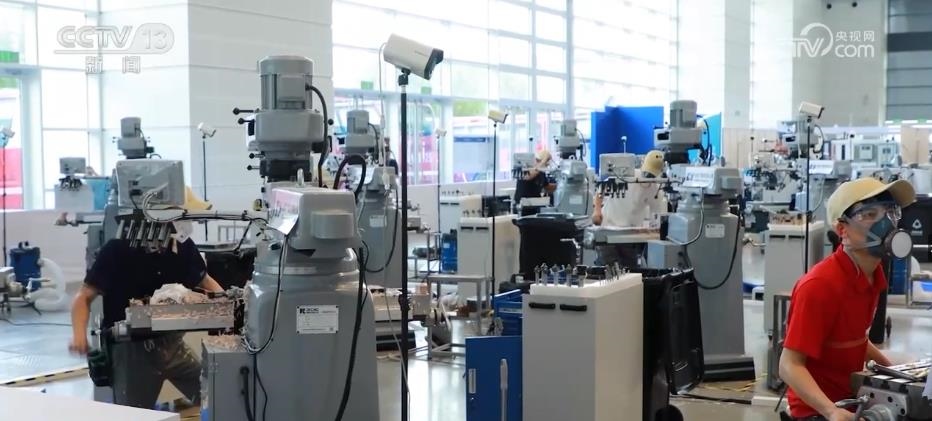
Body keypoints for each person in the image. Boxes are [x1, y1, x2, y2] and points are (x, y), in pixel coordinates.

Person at [69, 188, 224, 409]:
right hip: (131, 350)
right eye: (182, 216)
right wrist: (78, 335)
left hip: (172, 344)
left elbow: (205, 281)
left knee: (216, 397)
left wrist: (230, 309)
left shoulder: (183, 247)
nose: (187, 223)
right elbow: (83, 297)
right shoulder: (118, 250)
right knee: (134, 414)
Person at [779, 177, 915, 421]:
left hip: (853, 399)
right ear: (843, 230)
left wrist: (896, 374)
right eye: (870, 214)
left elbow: (854, 338)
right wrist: (830, 411)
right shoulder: (820, 286)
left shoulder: (873, 275)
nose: (887, 223)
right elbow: (789, 365)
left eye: (891, 212)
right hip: (817, 411)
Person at [592, 150, 666, 267]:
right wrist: (597, 211)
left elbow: (655, 214)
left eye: (652, 175)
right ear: (642, 164)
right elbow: (600, 191)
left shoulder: (655, 189)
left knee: (630, 270)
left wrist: (652, 230)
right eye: (646, 173)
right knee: (609, 268)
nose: (648, 177)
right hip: (608, 228)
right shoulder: (626, 176)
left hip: (630, 235)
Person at [513, 149, 556, 215]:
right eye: (546, 162)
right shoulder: (527, 168)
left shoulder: (541, 172)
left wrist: (561, 185)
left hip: (536, 205)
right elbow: (529, 176)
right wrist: (544, 161)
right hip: (524, 205)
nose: (547, 165)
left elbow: (547, 187)